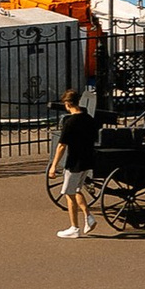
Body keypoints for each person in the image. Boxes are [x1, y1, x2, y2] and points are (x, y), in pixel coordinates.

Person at [54, 83, 100, 239]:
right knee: (77, 190)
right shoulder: (88, 118)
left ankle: (75, 227)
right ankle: (88, 217)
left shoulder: (70, 122)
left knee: (68, 193)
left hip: (74, 162)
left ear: (67, 104)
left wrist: (54, 166)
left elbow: (61, 146)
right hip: (87, 160)